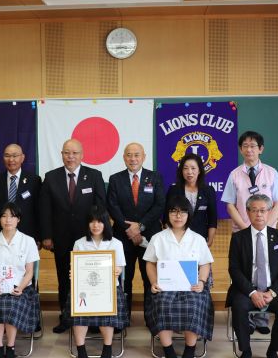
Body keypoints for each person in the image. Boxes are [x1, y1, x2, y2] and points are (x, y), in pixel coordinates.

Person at [221, 131, 278, 335]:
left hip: (267, 234)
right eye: (245, 146)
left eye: (253, 146)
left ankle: (261, 319)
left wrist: (264, 225)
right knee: (245, 272)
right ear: (240, 149)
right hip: (242, 233)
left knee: (265, 271)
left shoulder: (271, 173)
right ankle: (246, 318)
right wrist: (246, 228)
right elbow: (230, 205)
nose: (249, 149)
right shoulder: (234, 174)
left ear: (261, 149)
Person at [40, 139, 106, 333]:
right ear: (61, 154)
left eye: (75, 153)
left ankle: (91, 318)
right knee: (64, 278)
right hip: (60, 238)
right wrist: (47, 235)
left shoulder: (94, 176)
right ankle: (66, 316)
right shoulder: (51, 177)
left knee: (89, 278)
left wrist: (99, 234)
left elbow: (101, 207)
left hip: (89, 239)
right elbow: (45, 209)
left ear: (82, 155)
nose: (71, 157)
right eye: (67, 153)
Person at [143, 195, 214, 358]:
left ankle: (190, 349)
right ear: (167, 215)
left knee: (193, 305)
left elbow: (205, 264)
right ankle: (168, 350)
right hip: (165, 287)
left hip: (192, 287)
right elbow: (150, 264)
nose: (178, 216)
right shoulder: (158, 238)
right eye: (173, 212)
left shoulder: (197, 239)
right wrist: (153, 282)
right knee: (162, 304)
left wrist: (202, 282)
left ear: (189, 215)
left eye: (183, 212)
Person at [227, 194, 278, 358]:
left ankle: (273, 351)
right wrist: (252, 292)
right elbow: (234, 269)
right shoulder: (238, 238)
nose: (259, 214)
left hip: (274, 290)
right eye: (254, 210)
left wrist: (272, 292)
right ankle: (246, 351)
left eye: (263, 210)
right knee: (239, 307)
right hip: (247, 289)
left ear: (269, 212)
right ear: (247, 212)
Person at [0, 202, 40, 358]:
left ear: (18, 219)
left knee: (11, 304)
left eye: (12, 216)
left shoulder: (28, 241)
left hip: (21, 288)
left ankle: (10, 347)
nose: (8, 220)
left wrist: (20, 287)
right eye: (4, 216)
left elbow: (29, 272)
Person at [66, 205, 129, 358]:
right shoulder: (79, 243)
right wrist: (74, 274)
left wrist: (117, 270)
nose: (96, 225)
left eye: (100, 221)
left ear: (106, 223)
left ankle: (107, 347)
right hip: (84, 288)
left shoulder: (116, 243)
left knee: (107, 310)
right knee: (79, 309)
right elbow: (75, 267)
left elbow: (120, 267)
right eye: (92, 221)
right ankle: (81, 349)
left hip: (108, 288)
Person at [107, 142, 165, 317]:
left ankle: (151, 317)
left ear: (144, 157)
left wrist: (139, 227)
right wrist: (130, 230)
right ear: (124, 157)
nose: (133, 159)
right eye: (129, 155)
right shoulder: (115, 179)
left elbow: (159, 205)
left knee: (150, 277)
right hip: (123, 237)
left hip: (150, 236)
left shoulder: (155, 177)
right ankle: (123, 317)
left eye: (136, 155)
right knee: (124, 277)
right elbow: (112, 206)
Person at [0, 144, 42, 242]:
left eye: (15, 156)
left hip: (27, 236)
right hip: (0, 236)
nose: (11, 159)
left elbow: (38, 211)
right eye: (7, 156)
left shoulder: (34, 181)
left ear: (22, 158)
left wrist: (38, 238)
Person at [165, 153, 217, 246]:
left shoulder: (208, 190)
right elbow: (166, 217)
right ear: (181, 171)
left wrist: (210, 240)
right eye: (185, 168)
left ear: (199, 170)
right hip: (177, 239)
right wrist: (171, 238)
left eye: (193, 168)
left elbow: (212, 219)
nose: (189, 172)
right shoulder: (174, 190)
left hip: (200, 239)